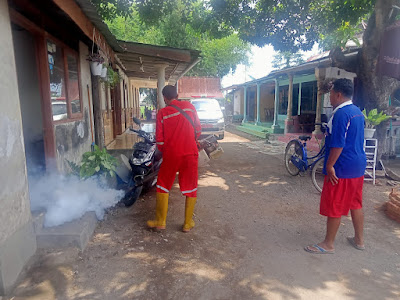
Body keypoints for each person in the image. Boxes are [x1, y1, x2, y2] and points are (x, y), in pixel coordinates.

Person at [305, 78, 367, 254]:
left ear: (338, 94)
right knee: (355, 203)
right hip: (358, 164)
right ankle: (359, 240)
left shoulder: (340, 114)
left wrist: (330, 165)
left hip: (343, 166)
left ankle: (328, 244)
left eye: (331, 94)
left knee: (335, 204)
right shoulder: (357, 112)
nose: (329, 97)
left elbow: (338, 144)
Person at [147, 85, 201, 232]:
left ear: (164, 97)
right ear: (177, 95)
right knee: (191, 187)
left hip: (172, 155)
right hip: (190, 153)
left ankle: (161, 221)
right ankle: (187, 223)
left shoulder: (162, 113)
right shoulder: (190, 107)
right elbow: (198, 129)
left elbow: (159, 140)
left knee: (163, 185)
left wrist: (168, 151)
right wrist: (189, 141)